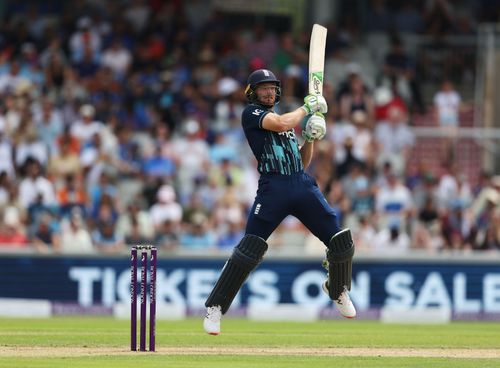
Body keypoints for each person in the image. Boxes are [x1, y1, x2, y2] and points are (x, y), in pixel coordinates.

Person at [203, 69, 356, 335]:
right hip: (273, 187)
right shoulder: (252, 114)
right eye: (262, 88)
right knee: (248, 249)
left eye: (272, 87)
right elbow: (284, 123)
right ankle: (215, 307)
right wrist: (307, 107)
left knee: (340, 240)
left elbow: (301, 160)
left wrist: (309, 137)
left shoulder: (282, 118)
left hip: (301, 183)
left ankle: (337, 288)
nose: (269, 91)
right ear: (252, 92)